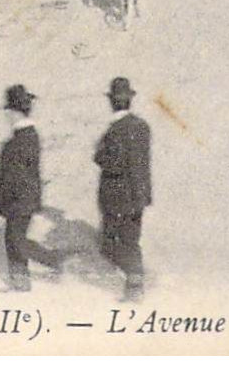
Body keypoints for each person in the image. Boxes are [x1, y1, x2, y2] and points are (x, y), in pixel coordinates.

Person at [0, 84, 64, 291]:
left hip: (19, 199)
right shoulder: (29, 136)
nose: (7, 116)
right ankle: (21, 280)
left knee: (15, 239)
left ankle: (50, 260)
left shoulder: (18, 141)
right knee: (13, 238)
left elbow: (12, 177)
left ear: (13, 112)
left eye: (8, 112)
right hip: (24, 198)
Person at [94, 77, 151, 301]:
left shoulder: (115, 130)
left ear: (111, 102)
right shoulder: (142, 126)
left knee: (114, 242)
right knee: (131, 239)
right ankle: (134, 284)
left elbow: (114, 163)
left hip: (116, 196)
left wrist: (99, 156)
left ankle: (133, 283)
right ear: (130, 100)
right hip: (138, 194)